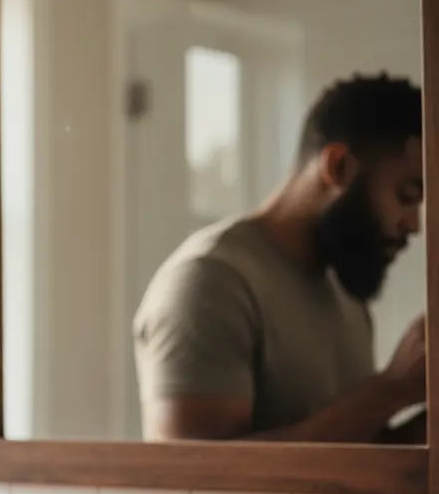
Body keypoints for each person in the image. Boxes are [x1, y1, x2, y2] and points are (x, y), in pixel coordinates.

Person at [134, 73, 423, 443]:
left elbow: (351, 457)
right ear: (338, 167)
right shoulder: (211, 280)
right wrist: (391, 390)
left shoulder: (344, 292)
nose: (414, 225)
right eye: (407, 195)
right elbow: (194, 480)